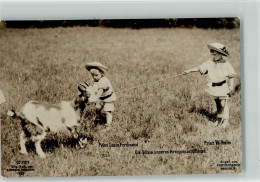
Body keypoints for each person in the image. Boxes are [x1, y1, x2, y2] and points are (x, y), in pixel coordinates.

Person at [183, 43, 236, 128]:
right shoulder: (210, 62)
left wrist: (231, 86)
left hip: (223, 87)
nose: (213, 56)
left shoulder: (226, 64)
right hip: (214, 87)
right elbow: (200, 67)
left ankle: (225, 122)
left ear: (221, 54)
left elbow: (231, 76)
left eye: (215, 54)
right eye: (212, 54)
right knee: (218, 104)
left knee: (223, 104)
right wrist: (189, 70)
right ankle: (219, 120)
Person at [85, 62, 117, 129]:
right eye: (93, 75)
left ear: (102, 73)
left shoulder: (103, 81)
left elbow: (100, 91)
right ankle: (97, 120)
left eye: (96, 75)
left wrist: (94, 98)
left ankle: (108, 125)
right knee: (97, 109)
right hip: (100, 98)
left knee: (107, 111)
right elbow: (93, 89)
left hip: (108, 98)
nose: (94, 77)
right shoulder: (95, 80)